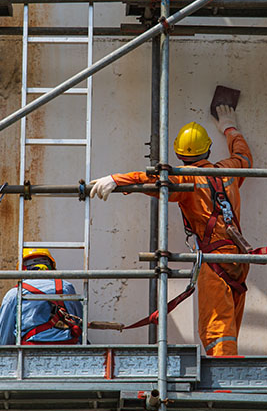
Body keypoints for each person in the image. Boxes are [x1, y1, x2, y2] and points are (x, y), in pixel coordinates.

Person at [89, 105, 252, 356]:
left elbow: (156, 181)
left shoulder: (185, 178)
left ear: (178, 153)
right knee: (230, 326)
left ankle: (225, 380)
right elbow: (244, 157)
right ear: (208, 149)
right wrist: (229, 128)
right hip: (240, 257)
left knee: (217, 329)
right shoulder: (228, 171)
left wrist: (117, 180)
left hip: (215, 260)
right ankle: (229, 365)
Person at [0, 248, 84, 345]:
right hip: (67, 349)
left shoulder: (15, 294)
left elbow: (3, 338)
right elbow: (79, 323)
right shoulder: (65, 287)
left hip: (29, 352)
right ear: (51, 267)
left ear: (21, 270)